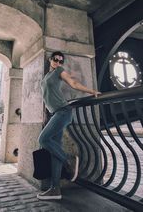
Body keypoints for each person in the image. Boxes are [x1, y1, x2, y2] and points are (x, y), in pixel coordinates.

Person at [37, 51, 101, 200]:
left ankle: (69, 161)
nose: (58, 63)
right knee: (54, 152)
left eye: (61, 61)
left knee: (43, 140)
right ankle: (55, 189)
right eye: (55, 59)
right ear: (50, 59)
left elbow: (73, 83)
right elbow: (47, 97)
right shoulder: (46, 76)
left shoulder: (59, 71)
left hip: (63, 111)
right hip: (55, 114)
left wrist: (91, 91)